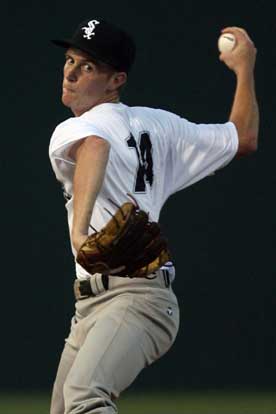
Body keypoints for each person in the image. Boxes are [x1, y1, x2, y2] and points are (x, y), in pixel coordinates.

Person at [49, 18, 259, 414]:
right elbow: (243, 137)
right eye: (70, 60)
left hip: (135, 298)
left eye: (88, 67)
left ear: (116, 80)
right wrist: (245, 68)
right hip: (101, 306)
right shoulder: (159, 126)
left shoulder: (77, 129)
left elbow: (94, 147)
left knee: (85, 398)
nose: (71, 73)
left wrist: (79, 234)